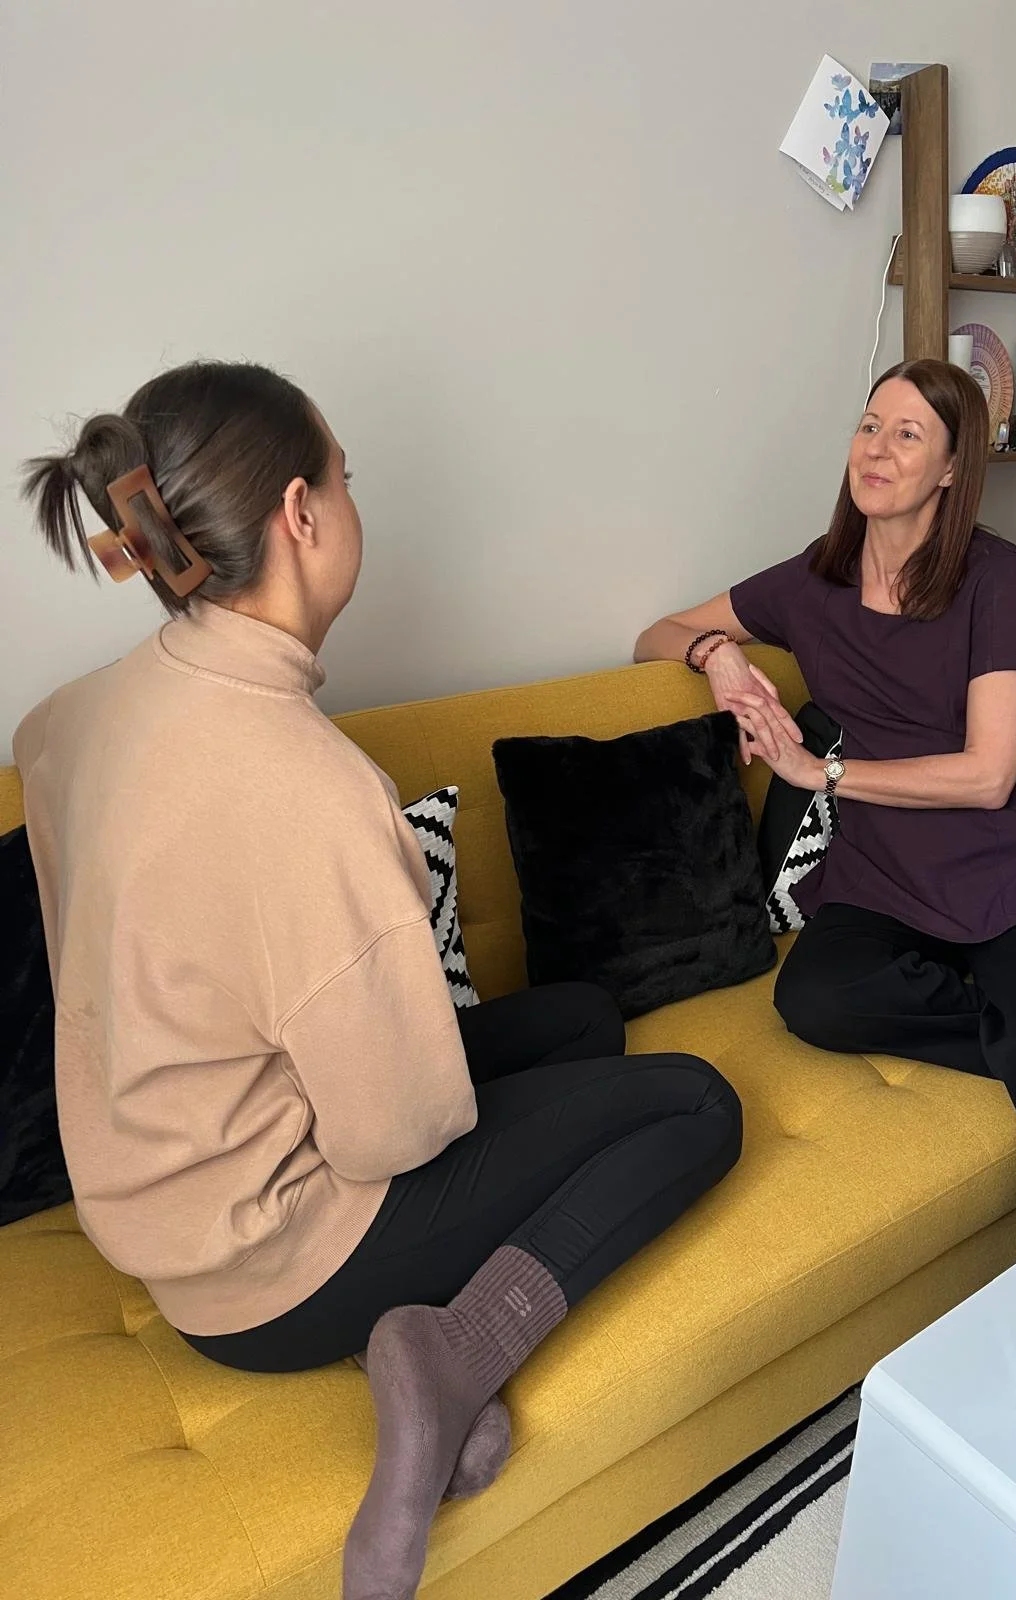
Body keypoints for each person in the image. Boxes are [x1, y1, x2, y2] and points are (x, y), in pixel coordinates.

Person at [14, 360, 742, 1600]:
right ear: (300, 515)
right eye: (348, 479)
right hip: (277, 1265)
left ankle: (436, 1315)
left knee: (580, 1018)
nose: (357, 502)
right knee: (697, 1103)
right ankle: (450, 1350)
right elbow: (401, 1129)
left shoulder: (71, 719)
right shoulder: (310, 788)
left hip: (165, 1213)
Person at [636, 357, 1016, 1252]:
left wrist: (823, 776)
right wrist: (720, 654)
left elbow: (987, 773)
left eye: (907, 435)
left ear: (949, 468)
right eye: (869, 426)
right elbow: (651, 635)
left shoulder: (997, 577)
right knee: (815, 998)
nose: (877, 450)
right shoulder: (810, 582)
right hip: (884, 875)